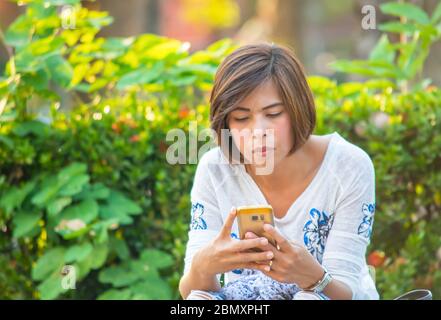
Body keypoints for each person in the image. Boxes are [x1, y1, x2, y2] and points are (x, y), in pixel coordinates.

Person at [178, 43, 379, 300]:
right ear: (225, 123)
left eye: (273, 114)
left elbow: (346, 289)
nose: (258, 131)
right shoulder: (215, 170)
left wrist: (314, 277)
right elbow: (191, 291)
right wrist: (203, 265)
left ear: (298, 109)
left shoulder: (348, 166)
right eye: (241, 118)